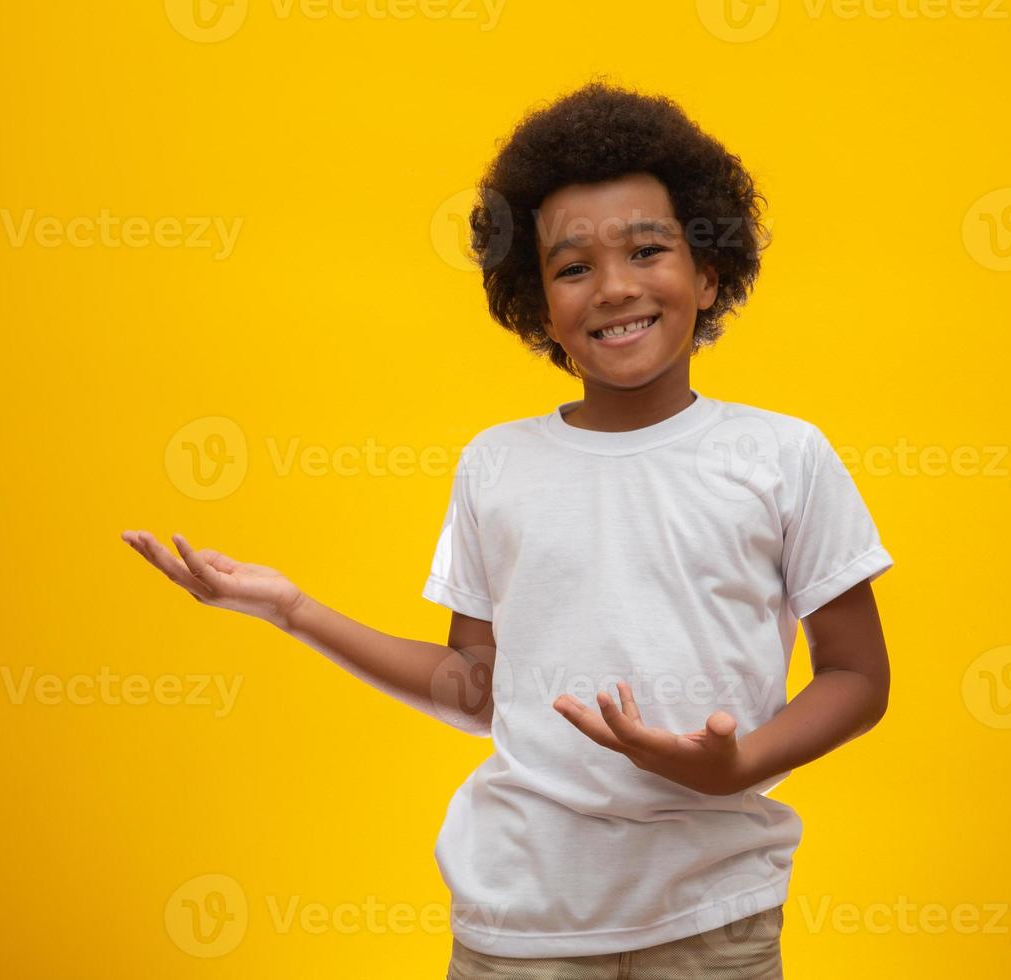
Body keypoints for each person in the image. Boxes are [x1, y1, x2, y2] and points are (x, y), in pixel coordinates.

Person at [122, 79, 893, 979]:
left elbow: (858, 675)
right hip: (520, 919)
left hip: (714, 910)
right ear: (538, 306)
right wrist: (293, 609)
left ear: (709, 272)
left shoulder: (782, 456)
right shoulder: (499, 465)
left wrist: (740, 763)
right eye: (572, 268)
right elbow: (475, 691)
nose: (614, 289)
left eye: (648, 250)